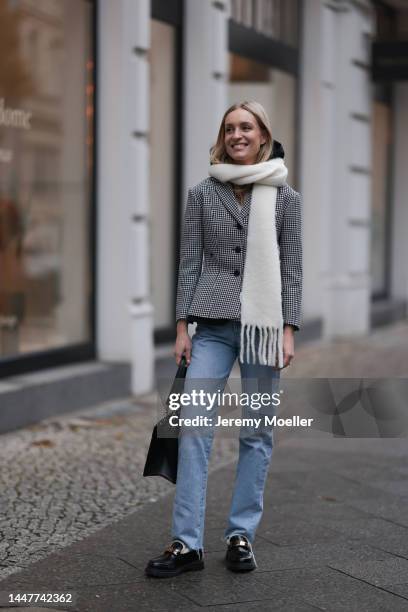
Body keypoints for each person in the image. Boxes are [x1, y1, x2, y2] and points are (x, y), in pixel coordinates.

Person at [145, 100, 302, 578]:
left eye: (246, 127)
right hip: (210, 324)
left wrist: (289, 330)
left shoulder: (286, 197)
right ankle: (186, 543)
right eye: (230, 128)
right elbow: (190, 260)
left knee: (256, 432)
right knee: (192, 427)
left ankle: (240, 535)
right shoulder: (202, 192)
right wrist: (180, 327)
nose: (237, 134)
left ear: (262, 135)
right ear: (223, 136)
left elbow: (292, 266)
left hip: (264, 327)